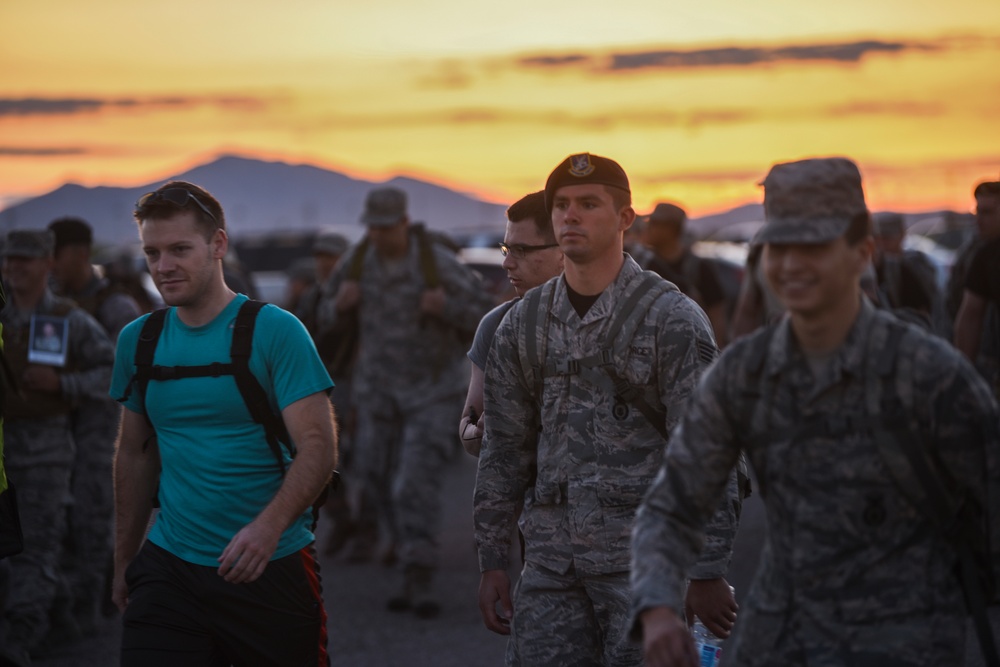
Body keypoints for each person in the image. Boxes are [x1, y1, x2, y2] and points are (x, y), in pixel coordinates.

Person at [630, 157, 1000, 666]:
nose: (790, 265)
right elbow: (673, 504)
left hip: (903, 638)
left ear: (861, 252)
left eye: (813, 248)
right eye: (777, 248)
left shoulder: (930, 375)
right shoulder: (745, 374)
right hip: (781, 637)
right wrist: (656, 607)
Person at [475, 153, 741, 666]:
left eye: (588, 204)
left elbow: (709, 453)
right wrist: (492, 560)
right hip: (551, 570)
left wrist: (707, 569)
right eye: (561, 205)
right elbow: (504, 450)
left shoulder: (672, 320)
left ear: (625, 219)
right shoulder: (523, 325)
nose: (570, 215)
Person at [110, 181, 337, 667]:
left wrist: (267, 529)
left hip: (268, 562)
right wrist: (125, 559)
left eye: (179, 249)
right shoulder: (139, 341)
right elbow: (134, 454)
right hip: (170, 566)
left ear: (218, 245)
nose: (163, 266)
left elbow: (318, 445)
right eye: (152, 252)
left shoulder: (276, 331)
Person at [318, 186, 493, 615]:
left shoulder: (437, 263)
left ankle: (419, 573)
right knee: (374, 478)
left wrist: (445, 307)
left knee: (413, 483)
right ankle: (401, 545)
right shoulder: (357, 263)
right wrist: (340, 307)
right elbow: (322, 316)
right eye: (372, 227)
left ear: (403, 222)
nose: (378, 235)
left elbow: (484, 317)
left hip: (430, 393)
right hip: (377, 393)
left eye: (385, 227)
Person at [0, 229, 115, 667]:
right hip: (4, 454)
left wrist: (63, 383)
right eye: (9, 259)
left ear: (48, 263)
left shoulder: (68, 320)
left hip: (46, 456)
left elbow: (112, 372)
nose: (14, 267)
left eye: (24, 259)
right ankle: (62, 607)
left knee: (35, 549)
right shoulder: (3, 317)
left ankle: (19, 639)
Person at [48, 215, 144, 634]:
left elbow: (121, 378)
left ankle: (91, 608)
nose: (50, 264)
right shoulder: (51, 304)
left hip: (101, 435)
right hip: (55, 434)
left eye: (56, 254)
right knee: (58, 523)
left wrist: (64, 384)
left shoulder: (116, 307)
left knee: (93, 520)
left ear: (79, 254)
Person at [459, 191, 564, 457]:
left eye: (521, 251)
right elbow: (467, 430)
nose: (506, 263)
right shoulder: (497, 325)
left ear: (563, 251)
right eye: (506, 249)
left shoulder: (608, 321)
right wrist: (480, 432)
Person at [640, 202, 729, 347]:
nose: (648, 227)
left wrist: (714, 352)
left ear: (670, 229)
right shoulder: (643, 265)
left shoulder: (700, 268)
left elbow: (717, 315)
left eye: (654, 223)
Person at [870, 211, 944, 334]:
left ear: (901, 235)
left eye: (887, 238)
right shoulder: (873, 267)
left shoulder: (911, 267)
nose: (882, 244)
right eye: (879, 239)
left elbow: (923, 312)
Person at [954, 182, 1000, 372]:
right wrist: (964, 374)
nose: (979, 220)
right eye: (977, 212)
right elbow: (971, 316)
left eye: (987, 212)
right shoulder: (986, 256)